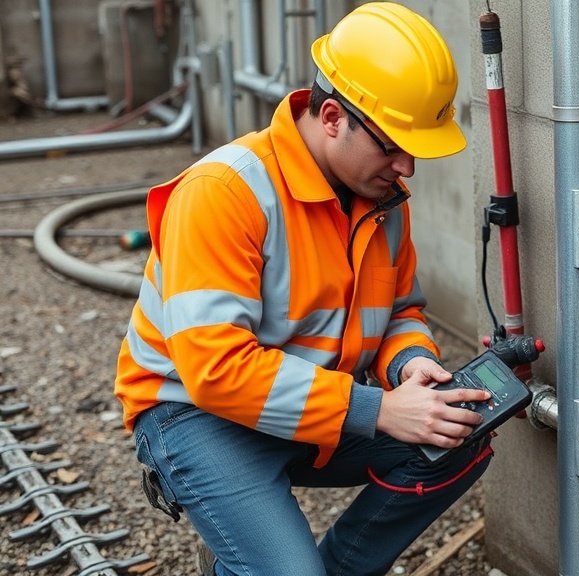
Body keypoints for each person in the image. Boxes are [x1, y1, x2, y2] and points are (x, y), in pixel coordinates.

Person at [113, 3, 493, 575]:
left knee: (458, 439)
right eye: (392, 145)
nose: (407, 167)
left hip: (311, 404)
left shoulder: (381, 203)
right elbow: (214, 369)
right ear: (334, 116)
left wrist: (409, 366)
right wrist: (380, 409)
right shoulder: (224, 192)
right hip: (193, 414)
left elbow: (400, 311)